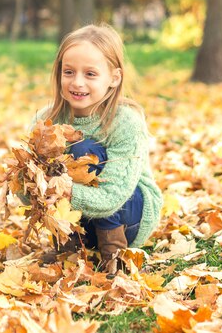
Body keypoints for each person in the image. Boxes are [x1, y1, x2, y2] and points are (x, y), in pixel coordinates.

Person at [36, 24, 162, 273]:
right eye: (69, 72)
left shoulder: (125, 122)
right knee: (59, 149)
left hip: (128, 216)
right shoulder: (47, 119)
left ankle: (114, 253)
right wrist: (36, 184)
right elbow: (28, 191)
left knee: (83, 147)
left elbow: (113, 197)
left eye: (90, 74)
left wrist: (65, 189)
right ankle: (68, 247)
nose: (77, 82)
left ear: (114, 78)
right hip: (82, 224)